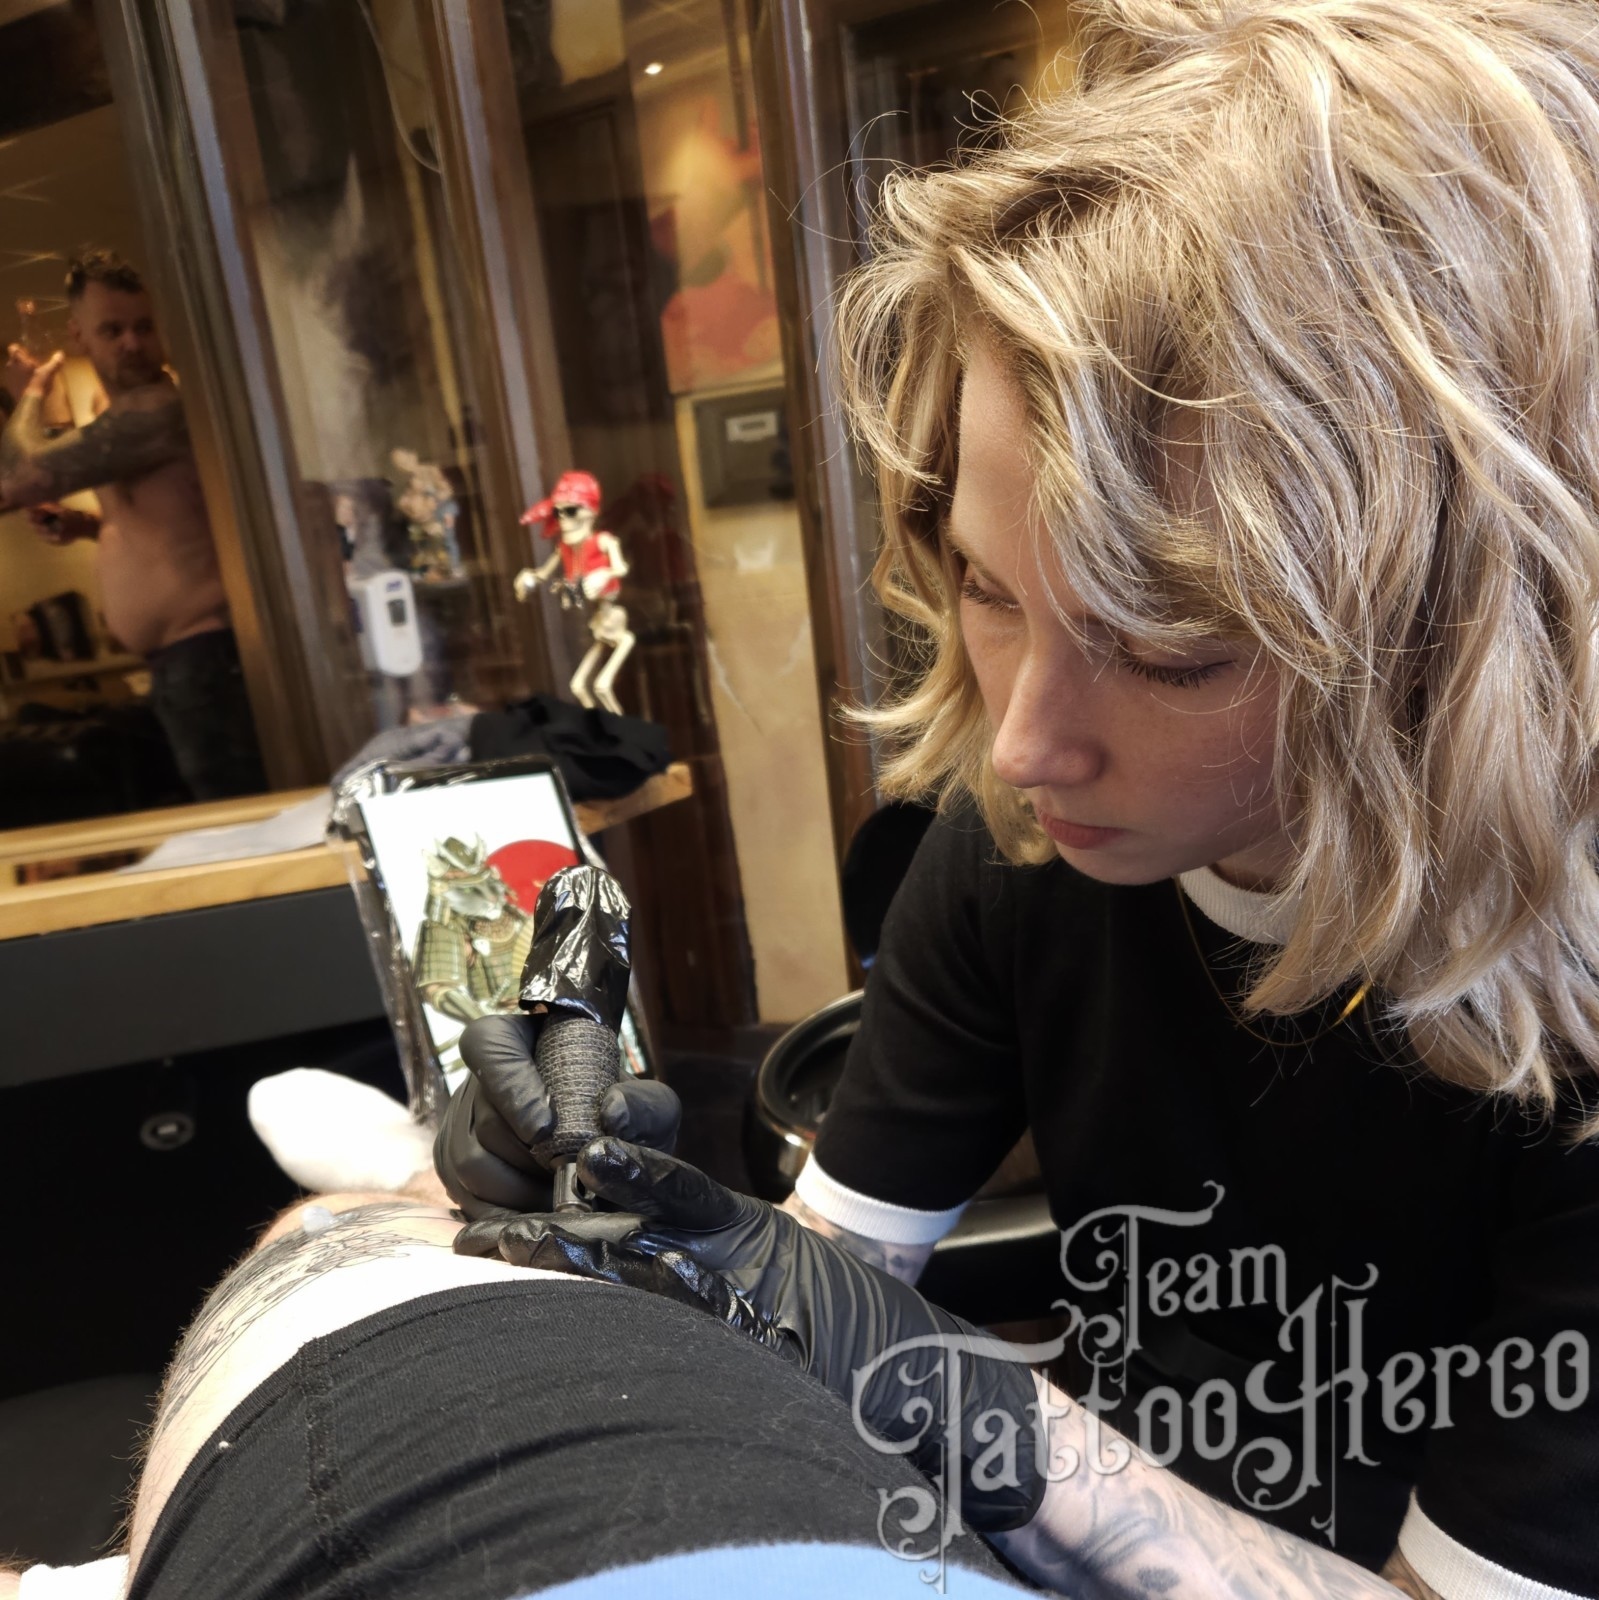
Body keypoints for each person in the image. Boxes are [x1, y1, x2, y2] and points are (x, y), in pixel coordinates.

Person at [436, 2, 1599, 1597]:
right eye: (988, 589)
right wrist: (623, 1221)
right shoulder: (1021, 852)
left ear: (1472, 631)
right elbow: (827, 1279)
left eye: (1166, 651)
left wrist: (976, 1411)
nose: (1026, 744)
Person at [0, 1169, 1027, 1600]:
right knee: (383, 1219)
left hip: (397, 1390)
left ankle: (399, 1185)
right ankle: (406, 1187)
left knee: (332, 1223)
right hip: (664, 1398)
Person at [0, 250, 266, 800]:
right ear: (79, 335)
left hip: (209, 657)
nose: (132, 343)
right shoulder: (113, 415)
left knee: (241, 816)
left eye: (143, 327)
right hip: (181, 665)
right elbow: (166, 521)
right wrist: (86, 527)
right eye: (113, 330)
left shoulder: (157, 409)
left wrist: (32, 391)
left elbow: (19, 477)